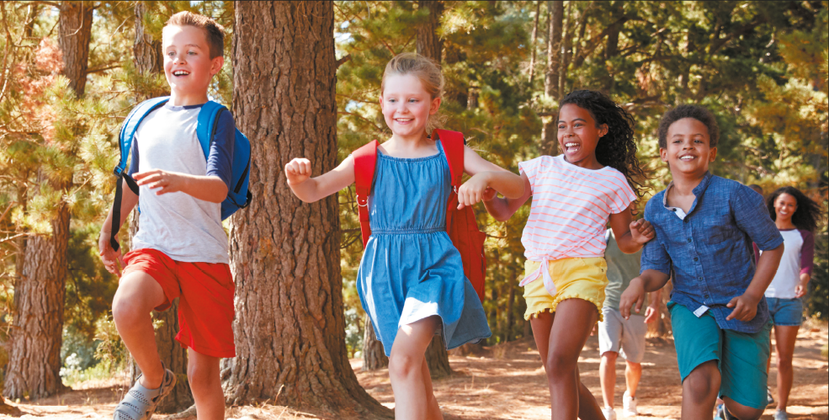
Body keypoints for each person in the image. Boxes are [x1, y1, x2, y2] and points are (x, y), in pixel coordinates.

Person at [285, 52, 525, 420]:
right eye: (393, 99)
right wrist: (298, 181)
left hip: (435, 267)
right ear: (381, 101)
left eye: (413, 99)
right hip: (382, 274)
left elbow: (519, 186)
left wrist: (484, 177)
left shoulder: (451, 152)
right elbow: (315, 190)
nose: (402, 108)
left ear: (434, 103)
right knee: (415, 370)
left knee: (401, 362)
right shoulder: (368, 159)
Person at [97, 11, 237, 420]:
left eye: (191, 52)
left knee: (203, 377)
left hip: (205, 255)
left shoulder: (217, 119)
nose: (179, 59)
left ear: (214, 65)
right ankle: (154, 380)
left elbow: (218, 187)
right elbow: (132, 182)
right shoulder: (145, 117)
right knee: (126, 306)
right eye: (171, 51)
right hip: (154, 247)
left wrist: (177, 180)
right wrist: (110, 229)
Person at [484, 89, 655, 420]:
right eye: (562, 127)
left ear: (601, 129)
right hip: (538, 273)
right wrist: (490, 195)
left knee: (560, 363)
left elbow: (623, 241)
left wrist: (636, 237)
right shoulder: (539, 168)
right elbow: (504, 212)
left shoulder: (613, 181)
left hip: (582, 273)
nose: (568, 134)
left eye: (578, 125)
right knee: (559, 372)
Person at [620, 104, 785, 420]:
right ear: (664, 153)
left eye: (697, 141)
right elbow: (657, 269)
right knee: (699, 385)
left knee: (749, 408)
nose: (687, 147)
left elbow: (772, 245)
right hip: (690, 303)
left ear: (712, 152)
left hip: (741, 304)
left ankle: (729, 412)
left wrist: (752, 294)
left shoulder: (735, 195)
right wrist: (639, 281)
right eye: (678, 141)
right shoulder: (655, 209)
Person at [763, 186, 822, 420]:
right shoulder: (763, 232)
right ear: (774, 204)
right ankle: (760, 397)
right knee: (761, 354)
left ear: (796, 208)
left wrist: (803, 281)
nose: (785, 208)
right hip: (762, 300)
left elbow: (806, 265)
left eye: (790, 204)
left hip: (790, 301)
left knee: (784, 359)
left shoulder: (803, 235)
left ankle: (781, 409)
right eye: (781, 203)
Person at [598, 228, 663, 420]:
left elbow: (655, 271)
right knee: (608, 354)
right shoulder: (606, 237)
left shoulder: (645, 238)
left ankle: (630, 396)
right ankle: (608, 408)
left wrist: (654, 304)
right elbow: (596, 271)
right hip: (608, 303)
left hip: (636, 305)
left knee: (633, 362)